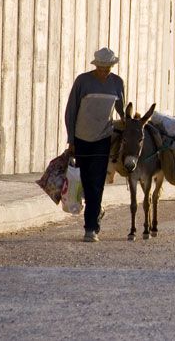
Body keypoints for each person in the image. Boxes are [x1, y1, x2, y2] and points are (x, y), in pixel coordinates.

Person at [64, 47, 125, 242]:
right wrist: (71, 140)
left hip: (103, 139)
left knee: (96, 184)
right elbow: (71, 110)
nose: (104, 71)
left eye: (108, 67)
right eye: (101, 67)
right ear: (95, 65)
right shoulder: (83, 81)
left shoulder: (117, 83)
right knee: (85, 182)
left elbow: (122, 111)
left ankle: (91, 228)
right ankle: (96, 211)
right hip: (82, 138)